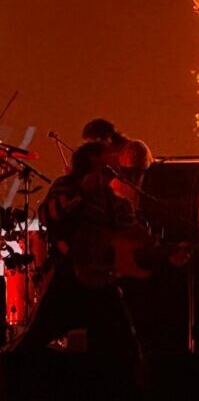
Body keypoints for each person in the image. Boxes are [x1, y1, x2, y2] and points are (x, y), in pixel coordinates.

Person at [7, 142, 141, 360]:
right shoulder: (68, 186)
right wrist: (81, 192)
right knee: (32, 342)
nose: (116, 157)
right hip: (67, 278)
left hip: (101, 281)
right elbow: (46, 215)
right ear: (94, 161)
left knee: (123, 348)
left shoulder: (113, 200)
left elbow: (129, 236)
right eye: (108, 154)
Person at [81, 118, 153, 208]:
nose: (95, 150)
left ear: (107, 138)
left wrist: (106, 171)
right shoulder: (110, 156)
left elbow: (134, 176)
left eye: (95, 145)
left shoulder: (134, 148)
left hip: (135, 208)